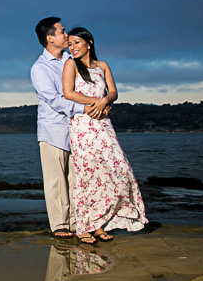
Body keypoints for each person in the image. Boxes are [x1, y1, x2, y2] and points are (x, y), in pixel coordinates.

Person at [61, 26, 147, 244]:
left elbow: (114, 92)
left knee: (117, 169)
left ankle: (100, 223)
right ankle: (84, 226)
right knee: (89, 175)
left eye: (76, 43)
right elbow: (68, 93)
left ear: (89, 43)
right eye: (70, 44)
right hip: (83, 126)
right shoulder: (71, 64)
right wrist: (95, 102)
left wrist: (106, 101)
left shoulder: (102, 66)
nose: (73, 47)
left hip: (104, 125)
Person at [31, 17, 105, 239]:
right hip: (53, 130)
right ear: (50, 38)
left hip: (79, 129)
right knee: (55, 180)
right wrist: (88, 107)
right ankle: (60, 225)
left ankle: (78, 222)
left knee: (78, 178)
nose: (67, 36)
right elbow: (55, 100)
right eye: (62, 32)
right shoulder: (40, 68)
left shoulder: (73, 60)